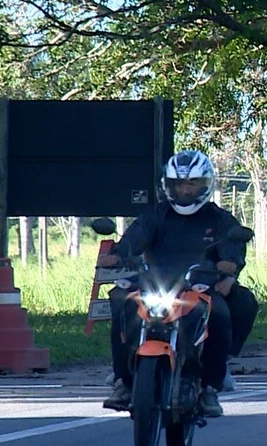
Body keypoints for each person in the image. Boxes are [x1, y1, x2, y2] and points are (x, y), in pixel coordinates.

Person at [99, 150, 254, 418]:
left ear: (204, 185)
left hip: (198, 287)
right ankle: (123, 379)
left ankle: (210, 385)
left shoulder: (219, 220)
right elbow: (135, 238)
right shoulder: (156, 216)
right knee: (120, 301)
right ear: (168, 186)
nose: (185, 190)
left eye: (191, 183)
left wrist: (228, 267)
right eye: (179, 184)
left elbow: (233, 247)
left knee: (221, 312)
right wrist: (119, 254)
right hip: (154, 285)